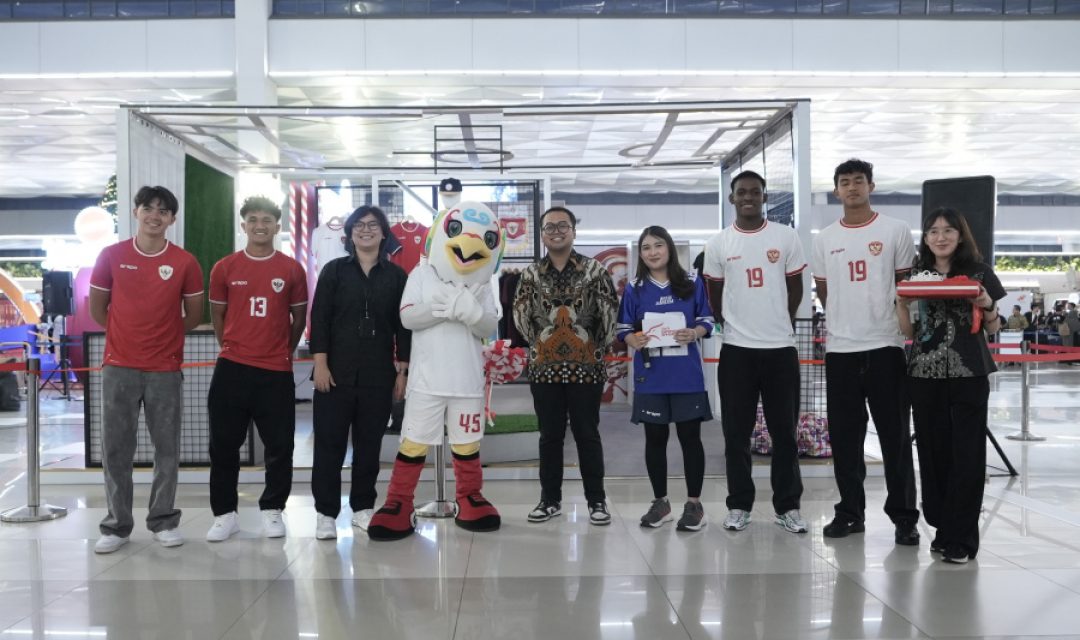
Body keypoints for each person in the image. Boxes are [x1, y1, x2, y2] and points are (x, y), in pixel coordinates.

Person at [368, 201, 504, 540]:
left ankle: (469, 496)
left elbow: (488, 326)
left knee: (467, 444)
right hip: (426, 381)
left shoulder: (484, 285)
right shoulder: (421, 274)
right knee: (413, 442)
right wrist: (444, 309)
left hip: (468, 381)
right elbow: (407, 316)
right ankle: (399, 502)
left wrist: (471, 313)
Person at [88, 185, 204, 553]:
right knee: (116, 449)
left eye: (163, 210)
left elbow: (194, 315)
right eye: (148, 208)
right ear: (136, 211)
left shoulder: (185, 261)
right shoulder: (111, 255)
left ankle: (163, 520)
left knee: (167, 448)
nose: (155, 215)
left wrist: (164, 338)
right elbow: (97, 309)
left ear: (172, 218)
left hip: (164, 369)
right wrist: (127, 337)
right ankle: (116, 526)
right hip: (118, 368)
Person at [811, 158, 920, 545]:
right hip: (840, 349)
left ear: (871, 186)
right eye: (845, 182)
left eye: (859, 181)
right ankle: (850, 512)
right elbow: (824, 293)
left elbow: (904, 290)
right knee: (845, 438)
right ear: (837, 190)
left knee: (894, 437)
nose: (852, 187)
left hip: (886, 346)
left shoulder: (895, 230)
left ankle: (905, 517)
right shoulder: (824, 238)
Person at [896, 207, 1004, 563]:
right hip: (923, 374)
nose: (940, 237)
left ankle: (963, 539)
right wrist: (901, 302)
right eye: (933, 231)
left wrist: (987, 303)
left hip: (968, 372)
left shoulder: (979, 272)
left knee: (968, 456)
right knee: (932, 451)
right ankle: (942, 528)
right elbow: (909, 331)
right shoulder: (916, 275)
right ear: (925, 238)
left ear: (961, 235)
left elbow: (992, 328)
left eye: (948, 231)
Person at [703, 170, 808, 534]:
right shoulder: (719, 244)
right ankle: (739, 505)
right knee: (736, 434)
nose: (748, 197)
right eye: (741, 192)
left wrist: (782, 321)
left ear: (765, 197)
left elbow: (795, 289)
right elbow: (714, 295)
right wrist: (729, 323)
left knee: (785, 435)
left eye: (755, 192)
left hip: (780, 350)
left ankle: (788, 506)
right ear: (732, 199)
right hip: (736, 351)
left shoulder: (786, 237)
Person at [204, 196, 308, 542]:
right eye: (253, 219)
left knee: (279, 446)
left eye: (267, 219)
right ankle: (224, 514)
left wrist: (283, 351)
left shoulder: (291, 269)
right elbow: (218, 316)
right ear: (244, 224)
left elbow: (298, 319)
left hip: (275, 371)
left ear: (277, 226)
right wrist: (232, 345)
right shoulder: (225, 267)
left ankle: (272, 510)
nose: (259, 225)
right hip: (232, 368)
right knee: (223, 446)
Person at [309, 205, 410, 540]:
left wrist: (402, 370)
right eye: (359, 226)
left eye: (373, 225)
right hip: (334, 375)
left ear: (384, 233)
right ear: (349, 234)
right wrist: (320, 364)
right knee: (329, 446)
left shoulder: (397, 277)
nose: (366, 230)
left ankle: (364, 507)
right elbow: (319, 318)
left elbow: (403, 328)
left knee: (369, 446)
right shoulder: (334, 271)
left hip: (378, 375)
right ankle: (325, 513)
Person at [513, 206, 619, 525]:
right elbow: (520, 315)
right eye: (549, 227)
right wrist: (541, 345)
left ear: (574, 231)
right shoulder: (531, 274)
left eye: (563, 226)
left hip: (586, 369)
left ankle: (596, 501)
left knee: (588, 434)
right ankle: (550, 500)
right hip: (544, 370)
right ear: (542, 234)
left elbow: (609, 315)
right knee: (550, 437)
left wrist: (590, 347)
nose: (556, 231)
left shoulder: (594, 271)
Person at [617, 226, 714, 531]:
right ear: (641, 254)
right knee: (654, 440)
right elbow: (622, 329)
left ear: (669, 249)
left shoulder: (692, 283)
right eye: (646, 248)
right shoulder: (634, 288)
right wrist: (633, 339)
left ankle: (694, 505)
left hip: (686, 376)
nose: (653, 252)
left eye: (659, 245)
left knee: (690, 439)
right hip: (652, 376)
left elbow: (707, 320)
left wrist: (694, 332)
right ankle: (661, 503)